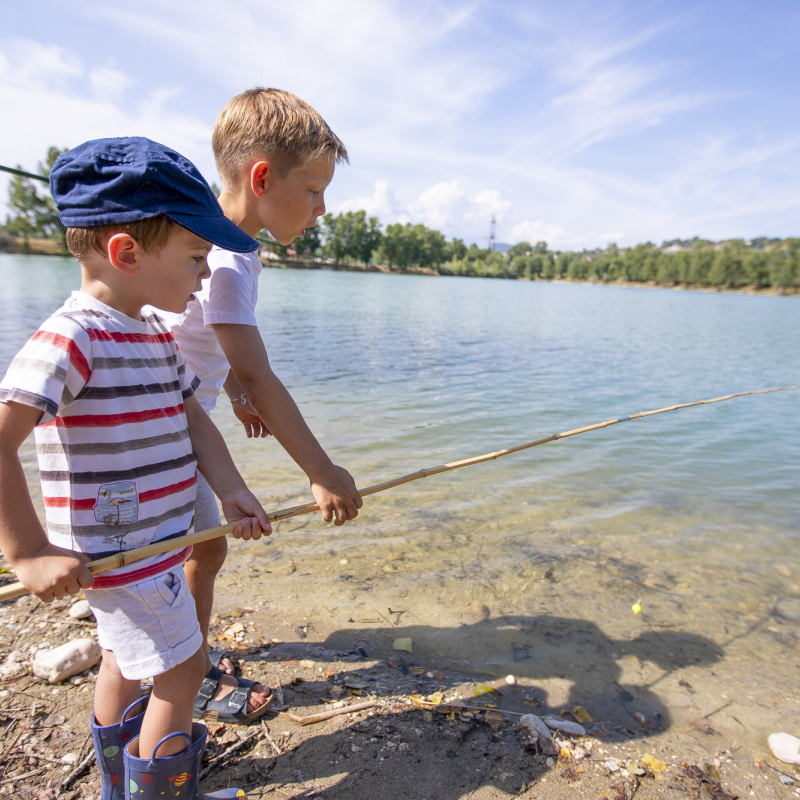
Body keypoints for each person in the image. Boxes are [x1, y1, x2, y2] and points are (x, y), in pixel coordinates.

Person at [0, 137, 270, 799]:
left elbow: (193, 418)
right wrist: (28, 550)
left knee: (124, 659)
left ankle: (120, 782)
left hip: (152, 546)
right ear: (126, 254)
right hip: (123, 556)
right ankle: (159, 792)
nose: (206, 277)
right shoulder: (74, 337)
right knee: (185, 671)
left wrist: (230, 489)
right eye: (195, 258)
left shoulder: (151, 331)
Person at [157, 88, 363, 723]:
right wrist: (322, 472)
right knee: (191, 553)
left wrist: (238, 397)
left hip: (174, 417)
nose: (323, 207)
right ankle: (180, 674)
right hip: (164, 428)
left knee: (200, 549)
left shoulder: (218, 246)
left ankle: (181, 656)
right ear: (263, 177)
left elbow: (203, 346)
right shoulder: (229, 259)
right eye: (313, 189)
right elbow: (257, 369)